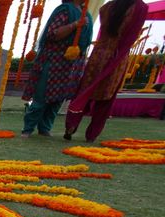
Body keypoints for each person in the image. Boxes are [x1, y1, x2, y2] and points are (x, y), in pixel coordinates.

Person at [63, 0, 149, 142]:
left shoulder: (108, 7)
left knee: (85, 91)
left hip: (99, 53)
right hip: (117, 56)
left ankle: (71, 126)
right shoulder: (140, 7)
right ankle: (92, 134)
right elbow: (129, 39)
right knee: (105, 100)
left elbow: (103, 31)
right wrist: (116, 57)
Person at [21, 0, 94, 137]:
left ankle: (45, 128)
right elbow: (52, 34)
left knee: (58, 99)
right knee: (41, 96)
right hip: (54, 60)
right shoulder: (65, 10)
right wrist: (74, 25)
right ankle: (28, 128)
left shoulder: (86, 14)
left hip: (72, 63)